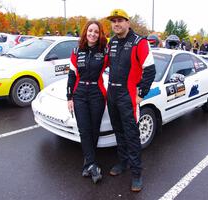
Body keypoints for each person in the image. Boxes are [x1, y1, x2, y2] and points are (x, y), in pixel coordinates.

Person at [106, 9, 156, 192]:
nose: (116, 24)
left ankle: (136, 174)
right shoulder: (111, 42)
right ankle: (123, 163)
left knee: (132, 135)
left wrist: (141, 94)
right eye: (113, 21)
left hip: (128, 97)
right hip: (112, 94)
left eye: (120, 20)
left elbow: (150, 70)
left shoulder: (139, 42)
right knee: (118, 131)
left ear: (128, 22)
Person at [67, 20, 108, 183]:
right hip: (80, 94)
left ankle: (88, 164)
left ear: (100, 35)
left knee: (94, 129)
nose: (92, 34)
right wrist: (69, 97)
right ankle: (91, 164)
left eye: (96, 32)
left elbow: (119, 66)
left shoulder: (104, 51)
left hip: (97, 93)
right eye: (90, 31)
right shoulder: (76, 51)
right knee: (84, 129)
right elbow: (71, 75)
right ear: (86, 32)